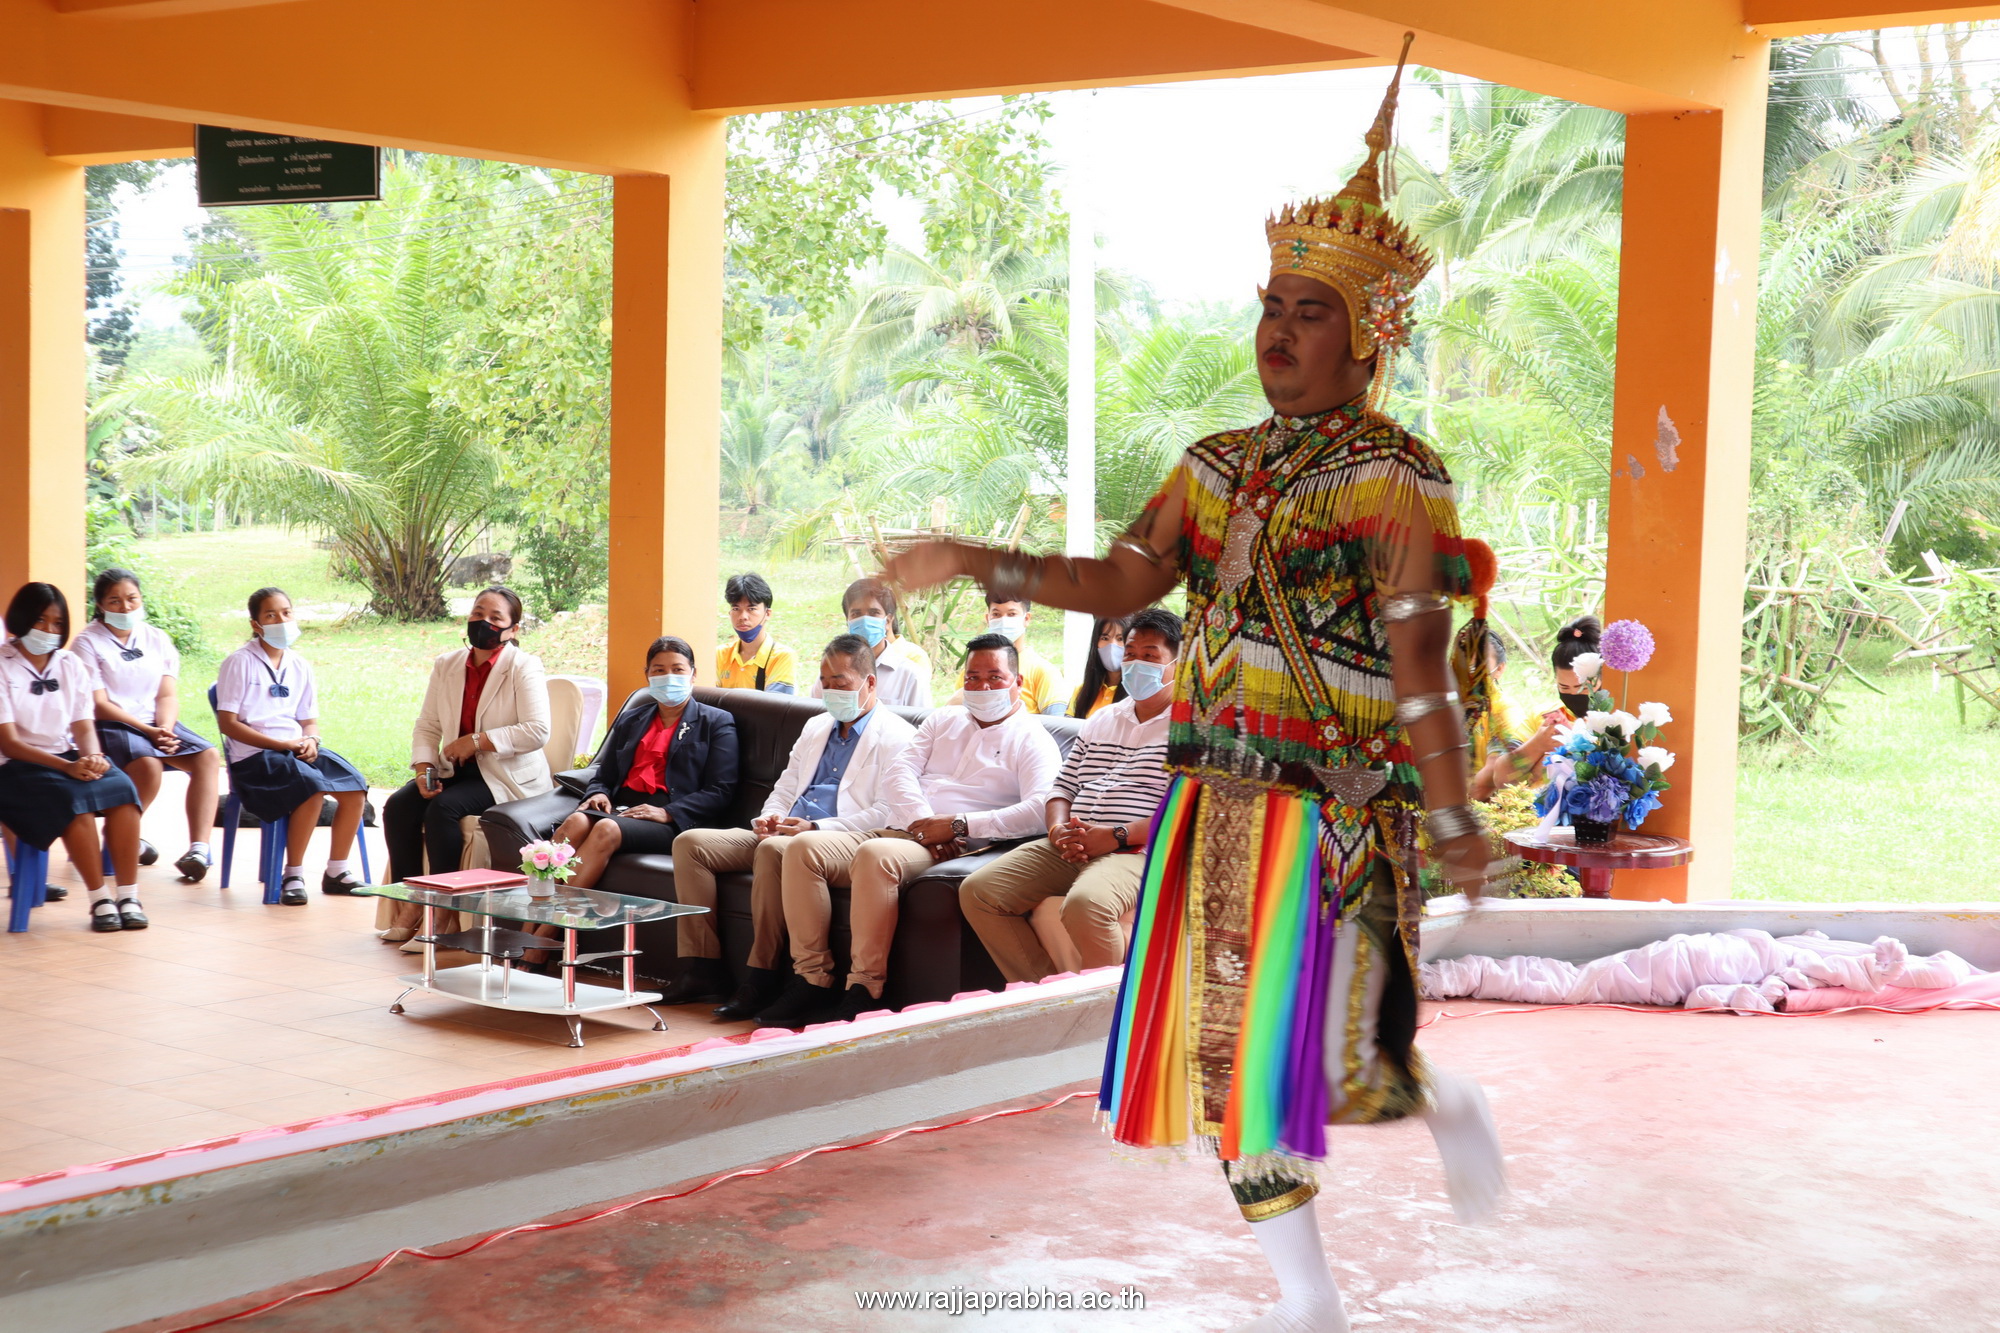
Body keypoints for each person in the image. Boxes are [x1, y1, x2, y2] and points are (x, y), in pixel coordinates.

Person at [882, 42, 1506, 1332]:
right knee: (1231, 1065)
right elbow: (1118, 584)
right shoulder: (1211, 466)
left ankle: (1441, 1099)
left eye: (1311, 310)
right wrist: (976, 559)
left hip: (1337, 813)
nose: (1278, 329)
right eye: (1272, 302)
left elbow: (1417, 661)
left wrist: (1450, 813)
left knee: (1341, 1061)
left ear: (1369, 334)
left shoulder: (1400, 474)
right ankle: (1308, 1299)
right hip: (1213, 807)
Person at [757, 633, 1061, 1028]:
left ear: (1017, 682)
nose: (982, 687)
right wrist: (925, 825)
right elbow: (900, 773)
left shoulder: (1033, 739)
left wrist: (957, 825)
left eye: (994, 677)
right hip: (908, 832)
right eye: (972, 677)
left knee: (874, 856)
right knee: (804, 848)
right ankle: (811, 978)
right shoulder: (943, 720)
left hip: (964, 847)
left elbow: (1038, 811)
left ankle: (866, 988)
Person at [666, 634, 916, 1013]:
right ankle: (702, 967)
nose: (830, 691)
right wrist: (771, 816)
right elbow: (785, 787)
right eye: (825, 682)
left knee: (776, 850)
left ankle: (762, 974)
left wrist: (816, 829)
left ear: (869, 683)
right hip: (786, 831)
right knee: (691, 845)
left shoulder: (899, 736)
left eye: (840, 682)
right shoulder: (816, 726)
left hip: (834, 839)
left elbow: (887, 811)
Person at [960, 608, 1180, 981]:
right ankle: (1045, 993)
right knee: (979, 892)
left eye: (1150, 656)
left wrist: (1115, 835)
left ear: (1179, 663)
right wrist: (1058, 830)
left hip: (1137, 849)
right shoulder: (1103, 719)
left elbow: (1185, 810)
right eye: (1129, 654)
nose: (1134, 663)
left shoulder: (1194, 729)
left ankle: (1107, 1010)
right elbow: (1062, 788)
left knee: (1086, 905)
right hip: (1074, 842)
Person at [379, 586, 552, 941]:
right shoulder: (447, 664)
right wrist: (424, 768)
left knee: (442, 809)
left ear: (513, 629)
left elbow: (537, 731)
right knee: (398, 806)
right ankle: (410, 900)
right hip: (455, 768)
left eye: (495, 618)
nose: (483, 622)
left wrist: (475, 741)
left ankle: (441, 912)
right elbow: (428, 724)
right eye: (477, 613)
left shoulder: (524, 666)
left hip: (504, 774)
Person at [0, 583, 147, 931]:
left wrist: (93, 756)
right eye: (40, 620)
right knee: (73, 800)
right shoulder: (2, 664)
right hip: (16, 766)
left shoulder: (70, 664)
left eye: (57, 623)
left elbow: (83, 725)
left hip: (67, 756)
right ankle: (99, 899)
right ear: (21, 619)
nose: (49, 630)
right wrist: (68, 767)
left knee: (123, 791)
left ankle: (129, 896)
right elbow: (9, 743)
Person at [546, 635, 740, 893]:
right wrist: (598, 793)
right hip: (624, 809)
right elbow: (603, 775)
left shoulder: (716, 721)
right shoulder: (631, 719)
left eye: (678, 670)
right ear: (647, 675)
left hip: (672, 819)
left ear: (693, 674)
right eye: (659, 670)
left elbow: (720, 790)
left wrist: (668, 812)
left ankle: (558, 916)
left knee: (606, 828)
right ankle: (535, 910)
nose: (669, 677)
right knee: (575, 822)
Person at [215, 587, 370, 906]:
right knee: (310, 788)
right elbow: (228, 724)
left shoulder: (299, 665)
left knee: (355, 787)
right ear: (256, 624)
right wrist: (281, 743)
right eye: (271, 615)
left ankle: (336, 871)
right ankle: (293, 874)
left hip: (294, 749)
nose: (281, 620)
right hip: (255, 757)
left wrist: (311, 740)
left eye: (286, 613)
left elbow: (309, 721)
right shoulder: (239, 662)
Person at [76, 567, 220, 882]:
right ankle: (120, 834)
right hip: (112, 724)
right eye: (114, 601)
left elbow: (167, 694)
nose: (125, 607)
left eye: (132, 598)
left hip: (157, 722)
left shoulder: (156, 638)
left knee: (208, 757)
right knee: (148, 765)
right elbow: (99, 705)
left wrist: (164, 728)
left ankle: (199, 850)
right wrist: (150, 732)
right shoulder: (87, 643)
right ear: (100, 605)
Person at [1471, 614, 1601, 800]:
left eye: (1583, 688)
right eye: (1564, 687)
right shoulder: (1547, 716)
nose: (1574, 694)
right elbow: (1501, 778)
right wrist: (1539, 743)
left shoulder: (1615, 723)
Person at [821, 577, 932, 708]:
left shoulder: (909, 675)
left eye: (873, 613)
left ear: (888, 621)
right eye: (856, 614)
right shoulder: (831, 671)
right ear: (848, 621)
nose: (864, 620)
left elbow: (921, 718)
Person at [979, 598, 1066, 715]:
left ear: (1026, 619)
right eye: (996, 614)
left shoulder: (1043, 671)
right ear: (988, 619)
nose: (1003, 620)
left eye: (1012, 614)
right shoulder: (974, 670)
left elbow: (1056, 721)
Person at [713, 572, 796, 694]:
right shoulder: (719, 654)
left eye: (751, 609)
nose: (743, 616)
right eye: (736, 609)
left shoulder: (782, 656)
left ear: (768, 614)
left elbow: (774, 703)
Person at [1068, 614, 1131, 719]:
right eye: (1105, 638)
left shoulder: (1137, 695)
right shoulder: (1081, 692)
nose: (1112, 645)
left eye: (1120, 639)